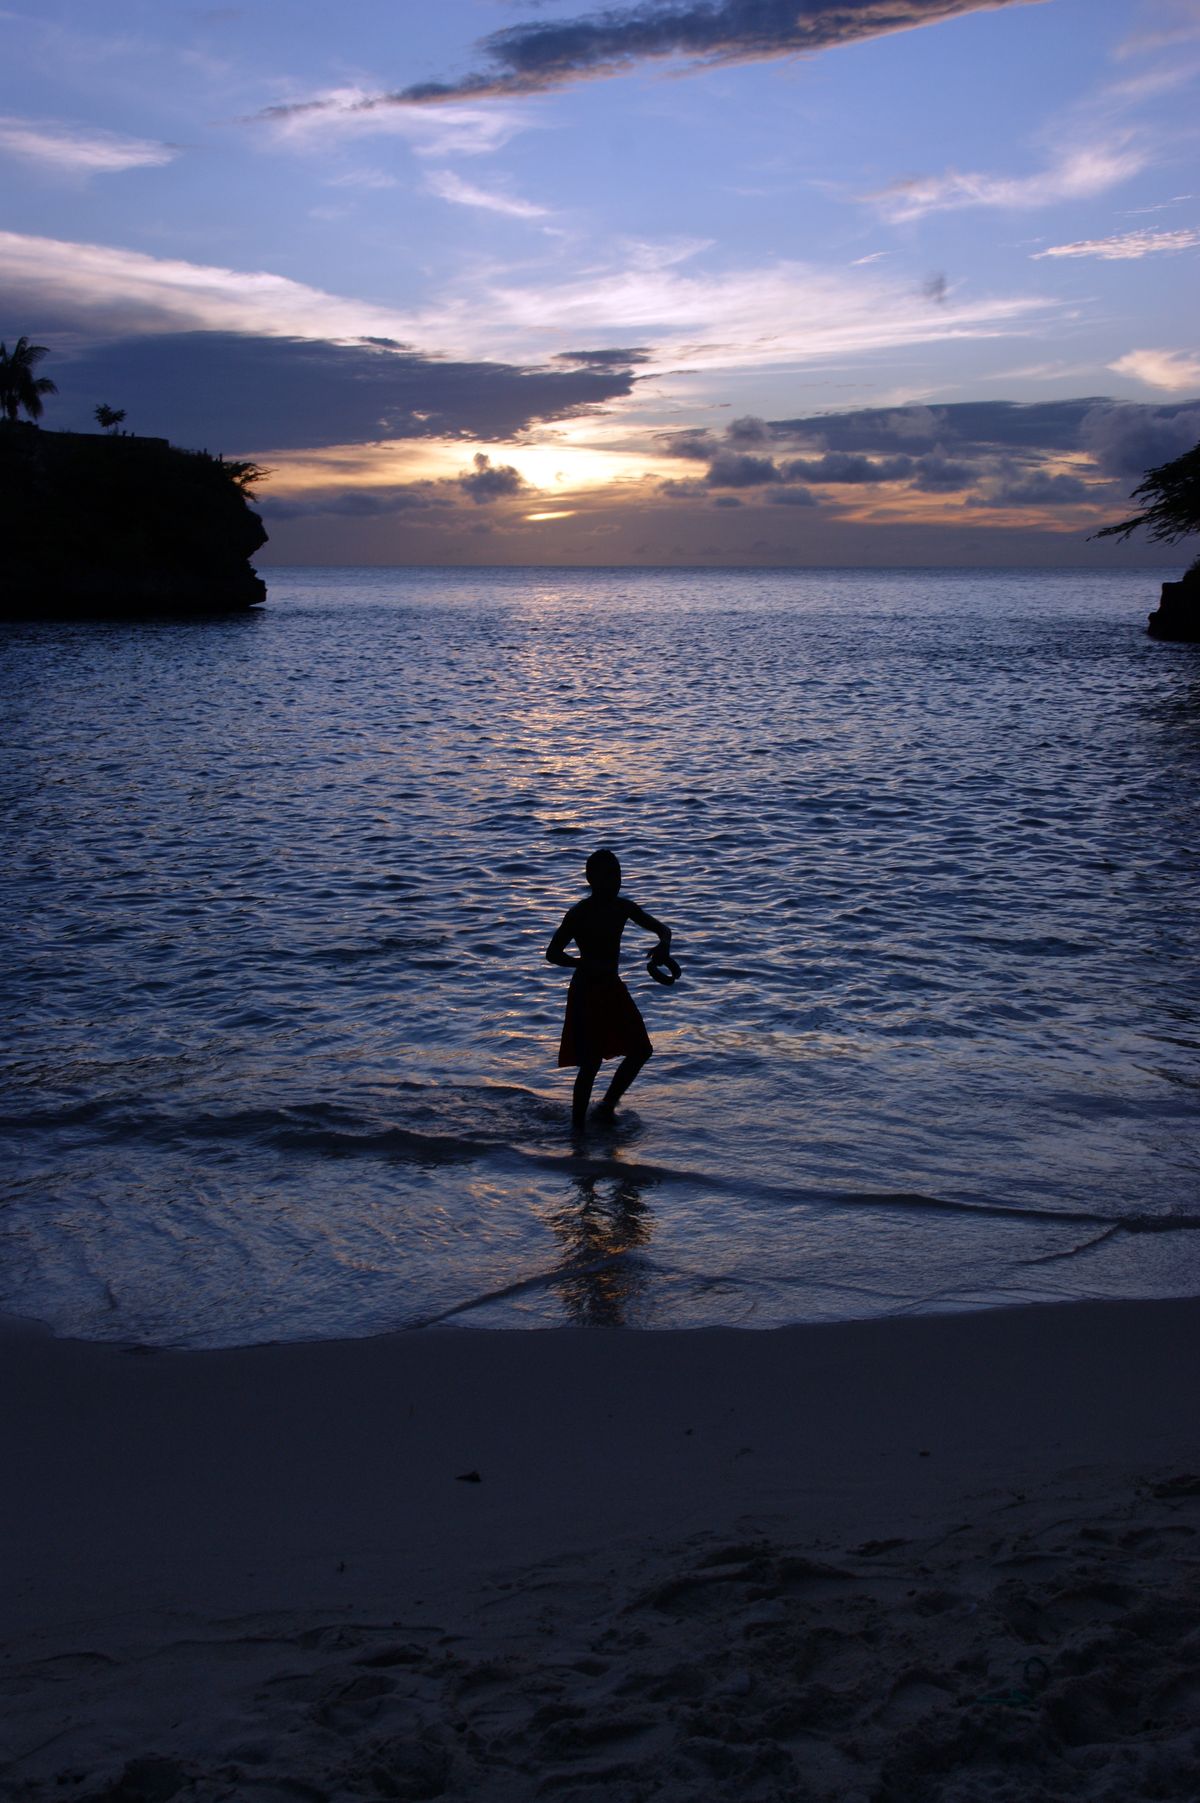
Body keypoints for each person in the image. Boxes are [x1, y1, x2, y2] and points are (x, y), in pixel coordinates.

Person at [546, 848, 673, 1130]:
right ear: (593, 879)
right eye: (610, 875)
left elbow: (663, 929)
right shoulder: (579, 913)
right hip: (586, 991)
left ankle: (605, 1107)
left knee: (641, 1050)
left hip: (612, 988)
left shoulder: (623, 908)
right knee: (590, 1064)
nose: (617, 880)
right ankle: (577, 1129)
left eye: (618, 873)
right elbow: (553, 953)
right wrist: (581, 963)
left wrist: (663, 945)